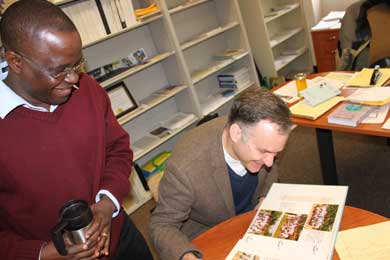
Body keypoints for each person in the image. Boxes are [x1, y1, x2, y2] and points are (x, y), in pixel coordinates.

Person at [0, 1, 153, 260]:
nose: (73, 79)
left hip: (118, 233)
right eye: (59, 71)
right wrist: (43, 254)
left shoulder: (89, 89)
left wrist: (108, 203)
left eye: (77, 64)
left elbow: (118, 150)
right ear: (15, 61)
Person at [150, 87, 293, 260]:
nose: (270, 162)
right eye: (263, 151)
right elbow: (161, 225)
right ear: (236, 133)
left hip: (252, 221)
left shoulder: (259, 138)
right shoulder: (186, 167)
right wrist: (186, 256)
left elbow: (271, 166)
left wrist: (264, 197)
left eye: (275, 153)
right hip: (210, 231)